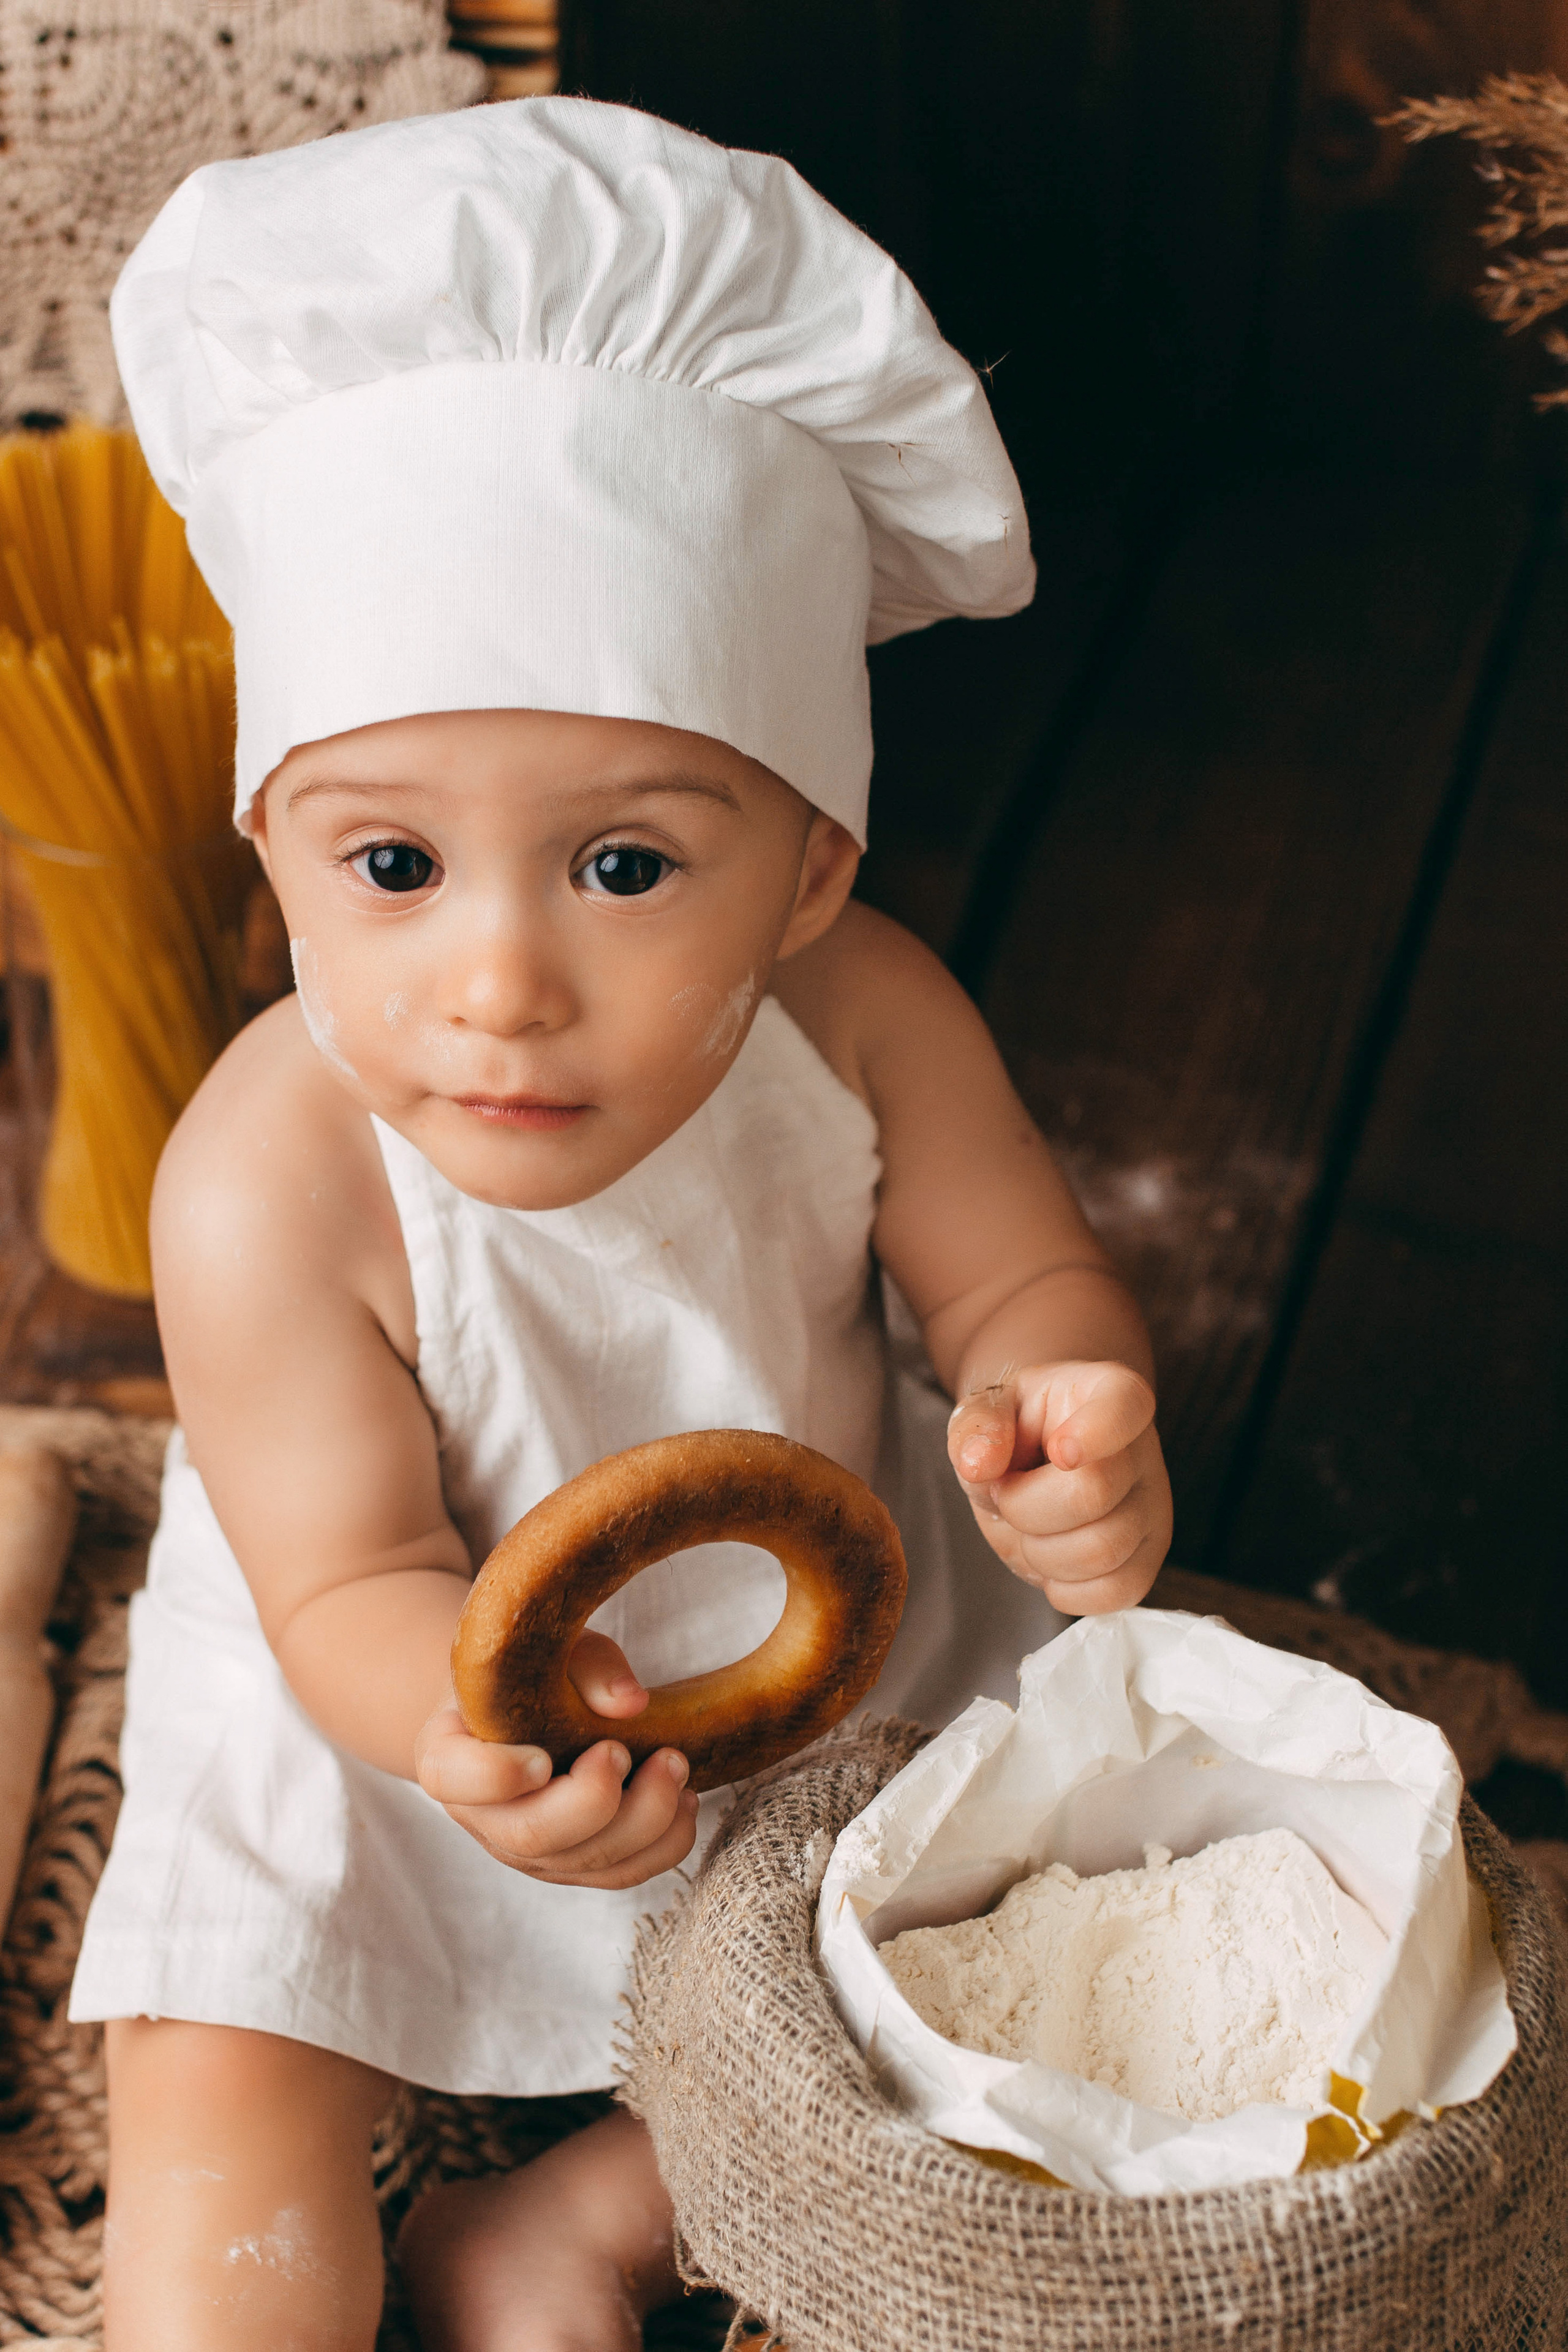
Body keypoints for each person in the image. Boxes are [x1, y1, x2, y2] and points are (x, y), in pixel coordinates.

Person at [70, 97, 1174, 2352]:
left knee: (1039, 1971)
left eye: (627, 866)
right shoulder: (266, 1174)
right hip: (382, 1688)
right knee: (224, 2064)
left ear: (809, 873)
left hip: (820, 1659)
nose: (496, 981)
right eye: (391, 867)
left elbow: (1011, 1282)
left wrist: (1070, 1403)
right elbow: (347, 1573)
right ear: (272, 849)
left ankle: (565, 2222)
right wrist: (462, 1742)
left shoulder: (863, 1022)